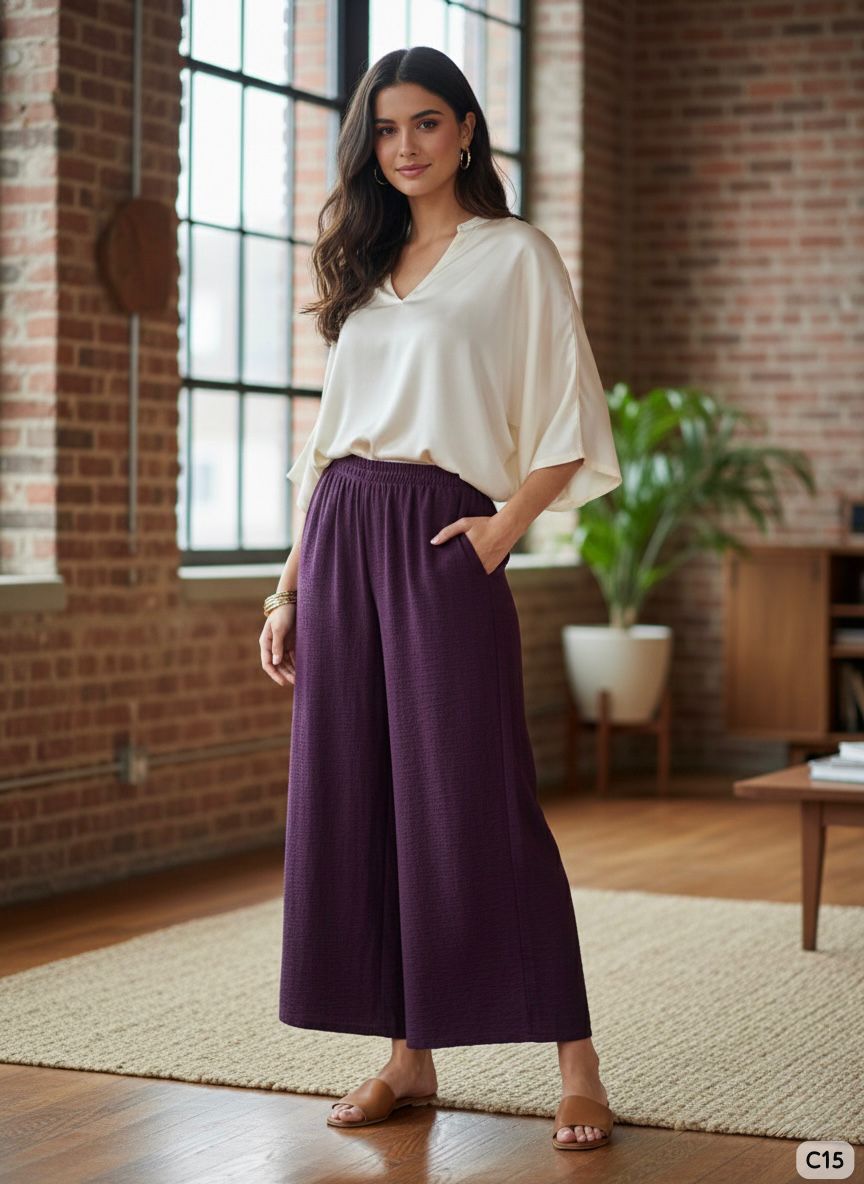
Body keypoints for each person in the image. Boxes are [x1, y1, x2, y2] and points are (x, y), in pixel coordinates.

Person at [259, 46, 622, 1153]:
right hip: (339, 538)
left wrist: (502, 532)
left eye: (425, 123)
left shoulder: (514, 257)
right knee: (360, 799)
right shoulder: (364, 266)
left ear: (467, 130)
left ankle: (577, 1057)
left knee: (480, 797)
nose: (404, 146)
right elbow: (325, 443)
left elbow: (570, 418)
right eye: (384, 129)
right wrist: (284, 588)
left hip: (438, 541)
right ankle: (406, 1057)